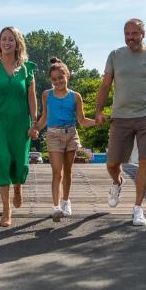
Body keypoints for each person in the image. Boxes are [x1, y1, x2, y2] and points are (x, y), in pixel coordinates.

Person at [94, 18, 146, 226]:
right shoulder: (115, 55)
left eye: (134, 34)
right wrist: (99, 110)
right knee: (112, 163)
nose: (130, 38)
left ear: (143, 34)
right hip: (120, 117)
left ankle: (138, 208)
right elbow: (105, 85)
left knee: (145, 161)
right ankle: (117, 181)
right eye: (127, 34)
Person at [0, 26, 38, 227]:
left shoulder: (27, 68)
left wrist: (35, 122)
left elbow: (31, 97)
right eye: (4, 39)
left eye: (11, 39)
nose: (7, 42)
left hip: (20, 123)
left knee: (19, 162)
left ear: (17, 43)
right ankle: (6, 209)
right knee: (1, 159)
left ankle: (18, 187)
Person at [29, 57, 96, 221]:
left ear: (68, 76)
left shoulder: (75, 97)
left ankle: (66, 201)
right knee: (57, 172)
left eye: (60, 77)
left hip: (71, 135)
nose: (57, 81)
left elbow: (82, 120)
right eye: (54, 79)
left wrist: (96, 122)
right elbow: (45, 117)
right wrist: (35, 128)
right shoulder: (47, 95)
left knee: (68, 172)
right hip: (53, 135)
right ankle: (56, 206)